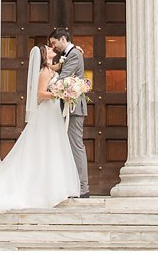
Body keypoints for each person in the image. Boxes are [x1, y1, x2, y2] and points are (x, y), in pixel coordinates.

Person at [0, 44, 80, 211]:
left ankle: (51, 190)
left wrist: (76, 54)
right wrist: (60, 94)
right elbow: (40, 94)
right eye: (48, 48)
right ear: (45, 56)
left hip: (52, 113)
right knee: (45, 148)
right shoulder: (45, 72)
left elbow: (61, 66)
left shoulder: (51, 69)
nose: (52, 48)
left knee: (51, 148)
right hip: (46, 112)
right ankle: (42, 192)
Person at [47, 27, 90, 199]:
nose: (54, 46)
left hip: (73, 107)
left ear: (63, 39)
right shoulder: (69, 53)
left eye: (54, 43)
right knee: (67, 147)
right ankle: (71, 184)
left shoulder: (73, 54)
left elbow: (63, 78)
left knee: (75, 146)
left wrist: (46, 84)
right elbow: (58, 68)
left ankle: (83, 188)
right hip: (66, 106)